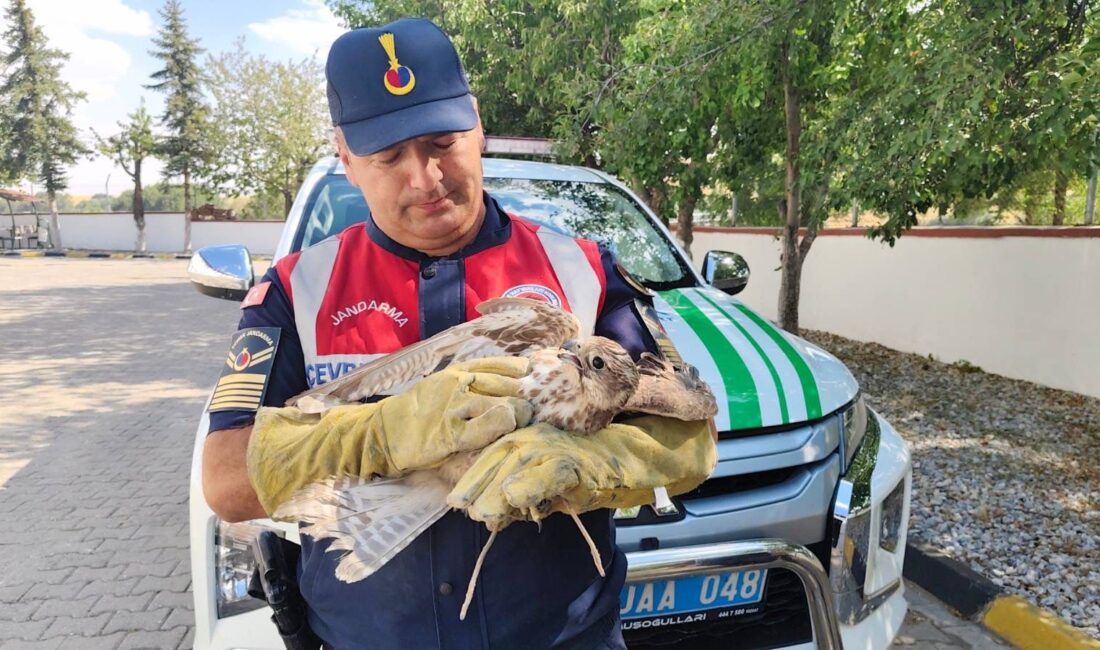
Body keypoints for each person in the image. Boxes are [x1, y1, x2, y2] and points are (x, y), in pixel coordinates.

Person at [202, 17, 716, 650]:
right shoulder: (293, 291)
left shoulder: (584, 270)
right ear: (346, 159)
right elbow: (227, 483)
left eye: (442, 141)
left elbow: (683, 432)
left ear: (477, 125)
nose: (425, 178)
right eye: (388, 157)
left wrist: (595, 460)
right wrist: (383, 432)